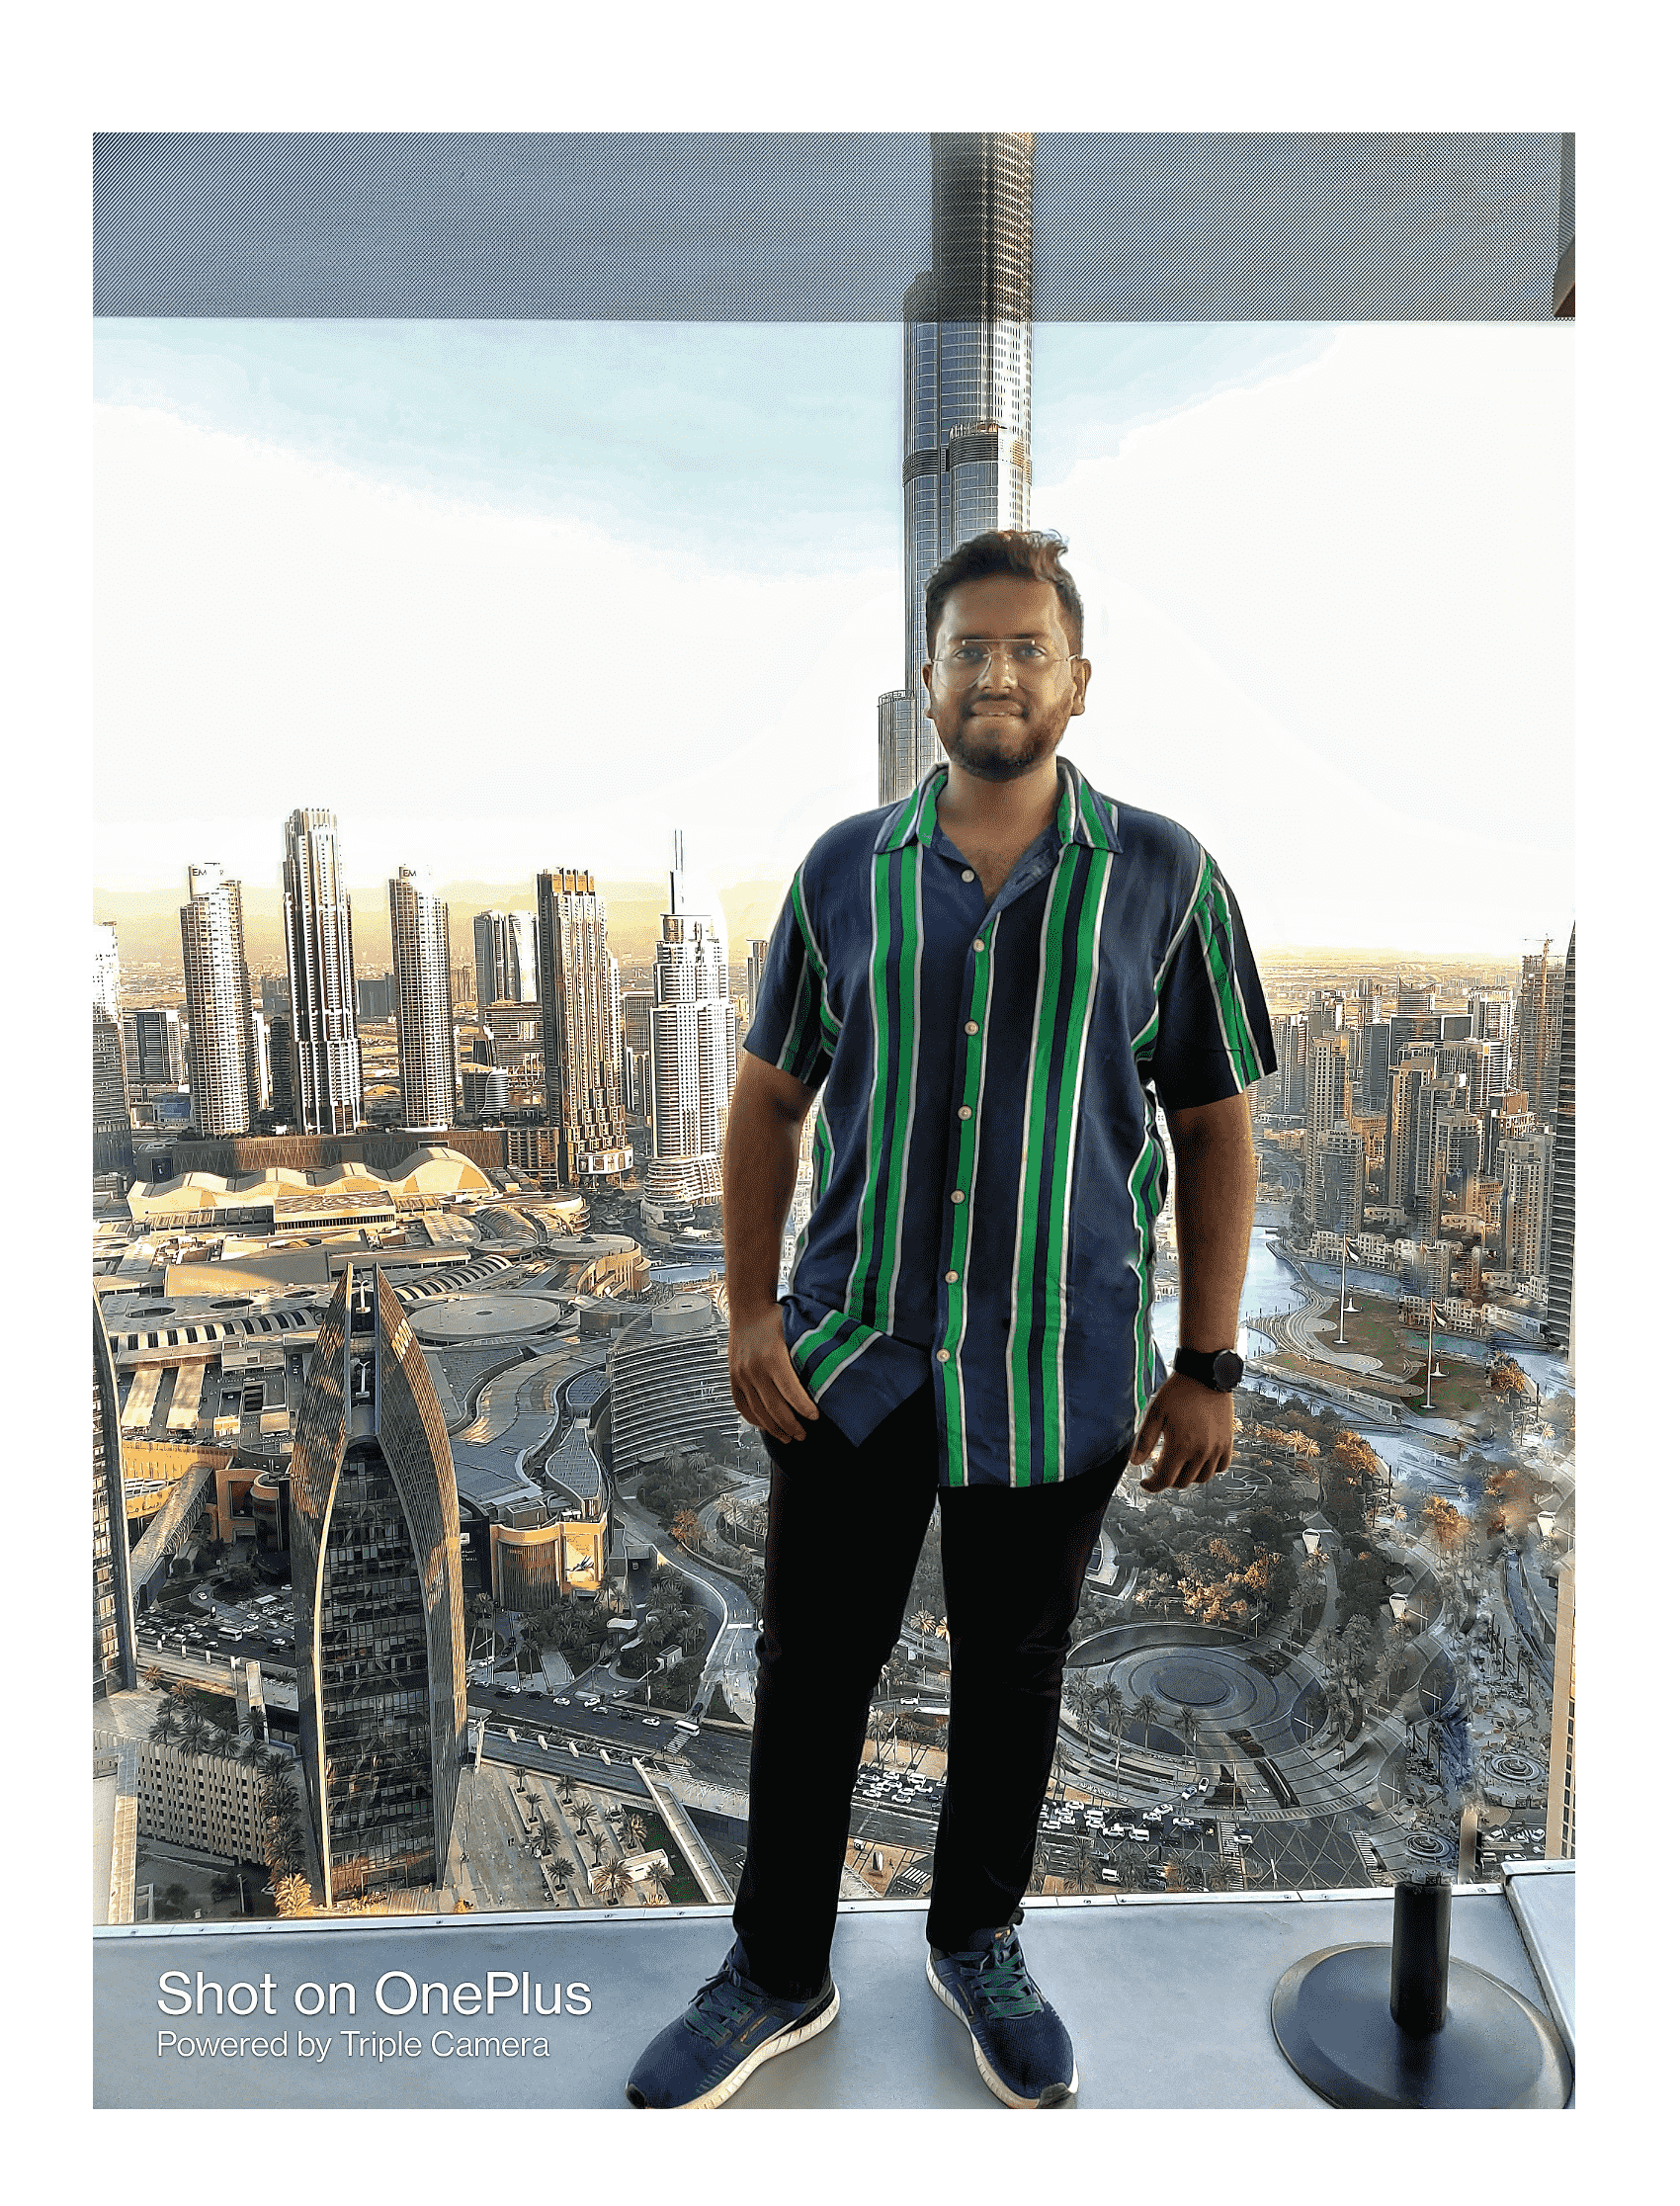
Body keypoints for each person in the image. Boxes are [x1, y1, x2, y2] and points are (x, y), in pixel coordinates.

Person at [625, 530, 1275, 2110]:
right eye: (968, 649)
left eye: (1026, 647)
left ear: (1078, 680)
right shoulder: (845, 873)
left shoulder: (1166, 878)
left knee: (1016, 1670)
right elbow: (767, 1104)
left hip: (1061, 1368)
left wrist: (1207, 1362)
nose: (997, 672)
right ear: (927, 683)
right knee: (810, 1672)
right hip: (853, 1359)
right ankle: (775, 1969)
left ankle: (978, 1940)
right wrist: (748, 1314)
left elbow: (1215, 1127)